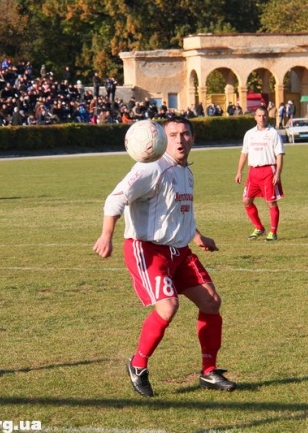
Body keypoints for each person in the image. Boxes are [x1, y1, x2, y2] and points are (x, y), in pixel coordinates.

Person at [93, 116, 236, 397]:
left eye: (185, 134)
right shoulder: (150, 167)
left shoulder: (186, 171)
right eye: (173, 135)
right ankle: (138, 365)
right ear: (161, 138)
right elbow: (115, 199)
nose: (180, 140)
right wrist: (106, 235)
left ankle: (209, 372)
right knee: (168, 307)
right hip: (147, 249)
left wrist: (197, 236)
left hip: (179, 251)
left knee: (211, 302)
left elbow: (178, 212)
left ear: (193, 138)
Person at [235, 106, 285, 241]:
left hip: (268, 171)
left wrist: (277, 174)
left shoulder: (273, 133)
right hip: (253, 172)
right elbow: (244, 153)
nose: (262, 118)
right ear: (255, 117)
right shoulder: (249, 134)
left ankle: (273, 232)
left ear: (267, 117)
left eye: (264, 115)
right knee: (246, 201)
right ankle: (259, 228)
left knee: (271, 202)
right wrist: (239, 172)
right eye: (259, 115)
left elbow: (279, 155)